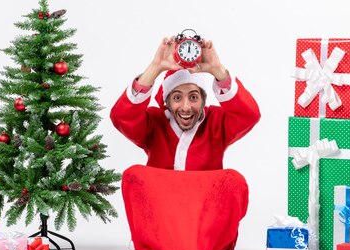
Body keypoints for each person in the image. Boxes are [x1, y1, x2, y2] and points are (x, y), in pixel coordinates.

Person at [110, 36, 261, 171]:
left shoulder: (215, 124)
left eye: (194, 97)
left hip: (206, 202)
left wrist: (218, 70)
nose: (186, 107)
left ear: (203, 100)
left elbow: (249, 115)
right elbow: (121, 117)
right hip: (162, 202)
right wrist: (155, 67)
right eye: (177, 98)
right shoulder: (155, 124)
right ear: (167, 101)